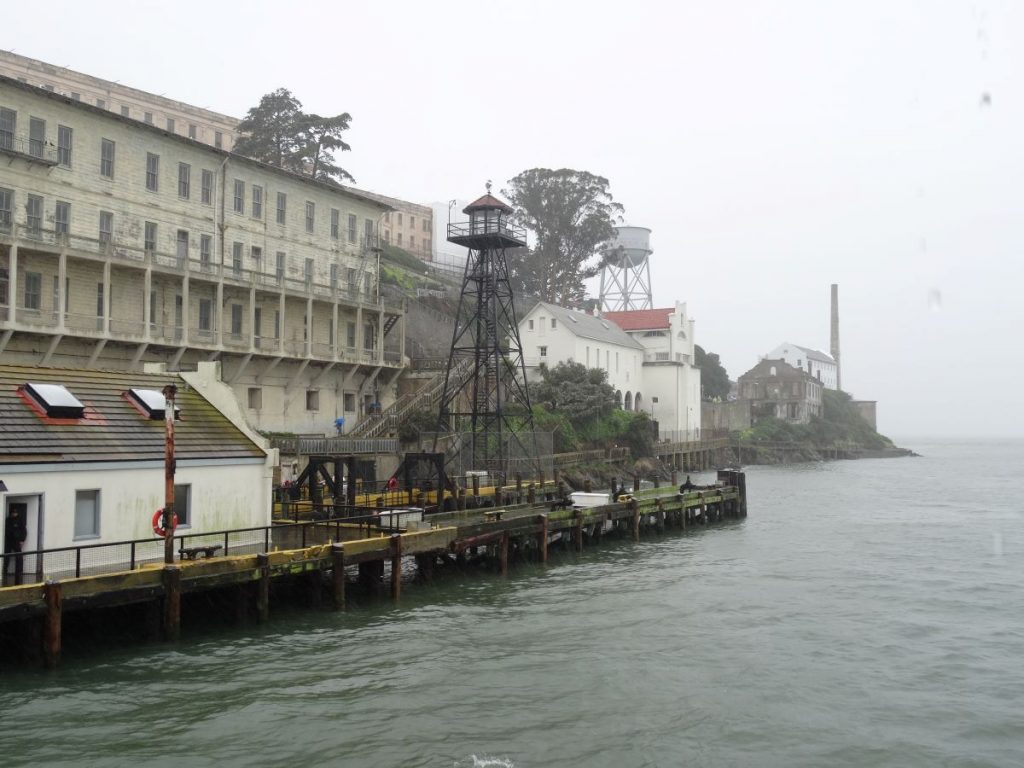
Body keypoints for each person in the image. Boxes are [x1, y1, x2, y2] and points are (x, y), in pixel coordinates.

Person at [3, 505, 28, 586]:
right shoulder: (8, 520)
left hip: (16, 541)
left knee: (19, 557)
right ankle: (4, 572)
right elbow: (6, 530)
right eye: (13, 512)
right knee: (6, 557)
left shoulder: (20, 520)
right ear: (11, 513)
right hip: (8, 541)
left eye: (16, 512)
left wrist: (22, 540)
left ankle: (19, 572)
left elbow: (24, 530)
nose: (14, 514)